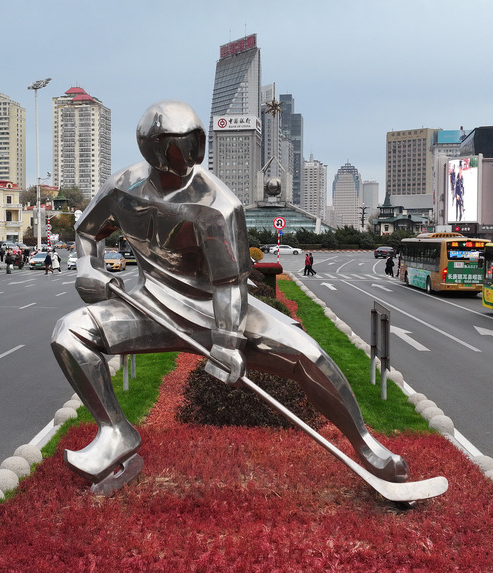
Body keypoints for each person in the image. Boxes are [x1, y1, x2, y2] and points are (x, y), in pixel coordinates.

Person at [51, 100, 408, 489]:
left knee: (310, 357)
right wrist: (87, 269)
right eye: (181, 144)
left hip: (222, 313)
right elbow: (86, 233)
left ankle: (368, 447)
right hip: (150, 306)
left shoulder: (217, 205)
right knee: (68, 334)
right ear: (153, 147)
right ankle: (115, 430)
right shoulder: (122, 189)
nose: (191, 154)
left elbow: (229, 284)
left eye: (196, 143)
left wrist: (227, 342)